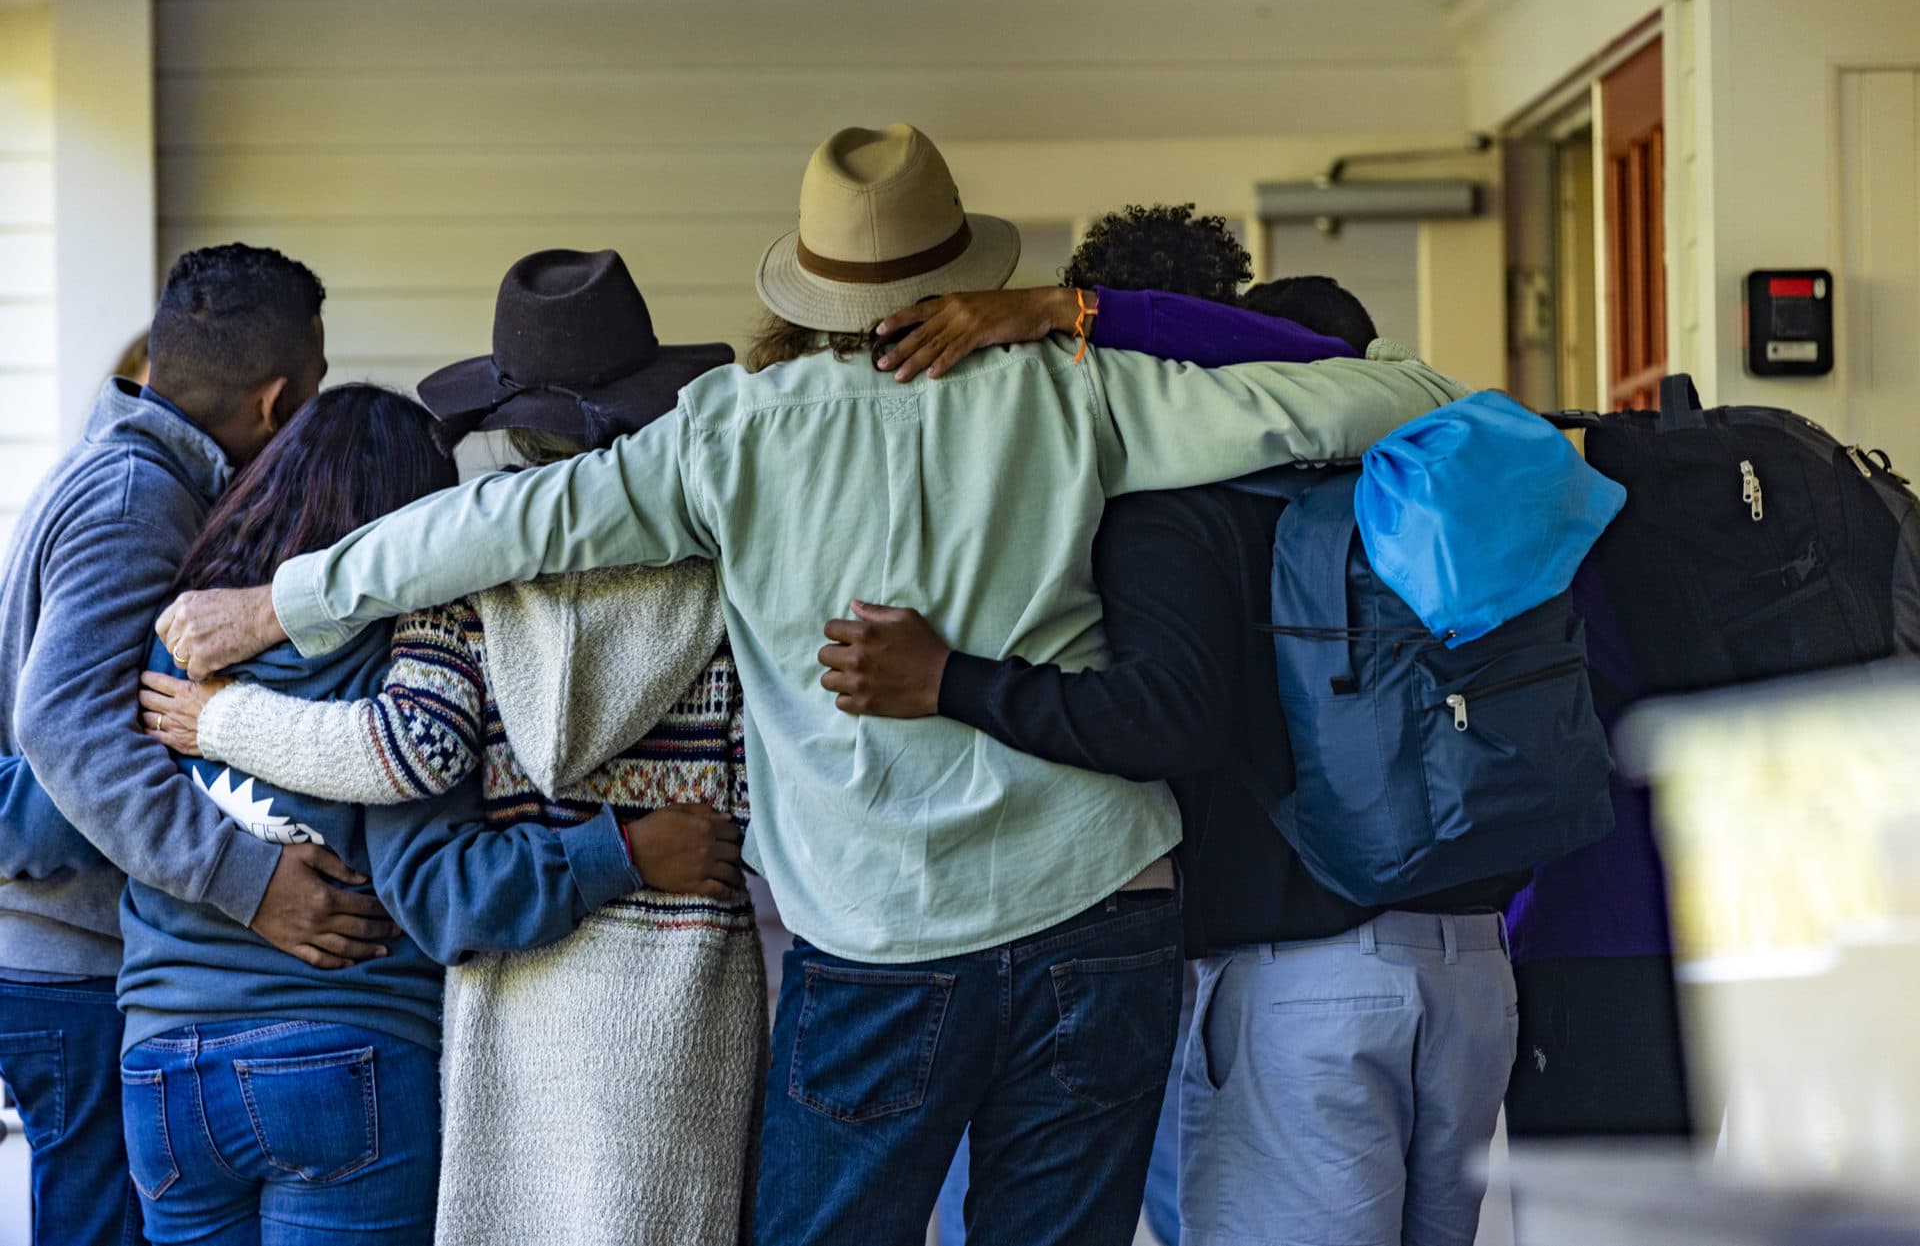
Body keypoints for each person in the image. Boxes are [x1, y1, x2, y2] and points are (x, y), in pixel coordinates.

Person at [154, 123, 1469, 1246]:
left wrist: (283, 600)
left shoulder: (739, 432)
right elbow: (1401, 394)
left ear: (812, 284)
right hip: (1100, 908)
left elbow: (508, 525)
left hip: (880, 938)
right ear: (967, 269)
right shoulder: (1084, 392)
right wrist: (1076, 314)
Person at [825, 272, 1528, 1246]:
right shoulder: (1431, 493)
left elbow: (1166, 718)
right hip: (1471, 966)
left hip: (1304, 978)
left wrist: (947, 680)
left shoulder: (1179, 508)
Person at [136, 249, 766, 1246]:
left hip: (442, 1031)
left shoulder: (431, 603)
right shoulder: (735, 592)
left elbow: (411, 764)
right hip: (673, 1012)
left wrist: (215, 727)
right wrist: (640, 847)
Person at [0, 244, 393, 1246]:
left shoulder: (121, 473)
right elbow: (64, 727)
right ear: (275, 403)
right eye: (314, 390)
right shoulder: (139, 499)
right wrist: (248, 879)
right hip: (71, 966)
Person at [926, 200, 1273, 1246]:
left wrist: (950, 682)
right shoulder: (1284, 447)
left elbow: (1160, 711)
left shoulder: (1045, 472)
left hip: (1072, 878)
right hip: (1244, 893)